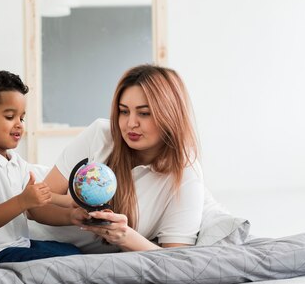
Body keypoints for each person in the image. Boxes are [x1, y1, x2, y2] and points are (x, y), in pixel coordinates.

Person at [32, 64, 204, 251]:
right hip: (36, 243)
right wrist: (70, 216)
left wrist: (125, 237)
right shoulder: (100, 135)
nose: (130, 123)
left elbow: (177, 260)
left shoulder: (185, 173)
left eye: (144, 113)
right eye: (123, 111)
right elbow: (35, 208)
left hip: (83, 263)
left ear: (170, 115)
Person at [0, 70, 81, 271]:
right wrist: (23, 201)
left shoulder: (15, 161)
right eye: (10, 116)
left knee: (73, 253)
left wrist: (70, 218)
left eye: (22, 117)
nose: (19, 125)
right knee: (63, 266)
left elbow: (35, 211)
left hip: (15, 246)